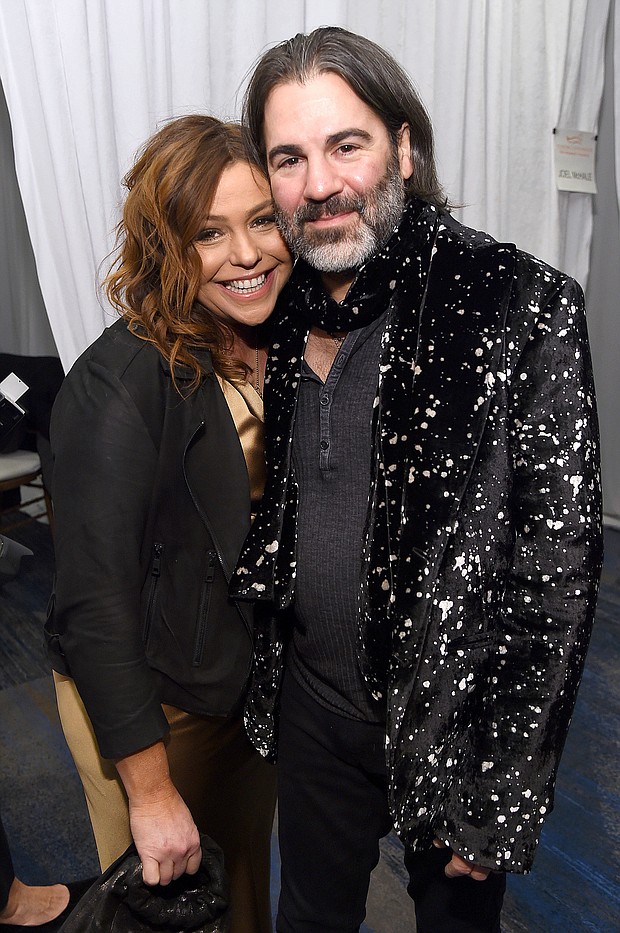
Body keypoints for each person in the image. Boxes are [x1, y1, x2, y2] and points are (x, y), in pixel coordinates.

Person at [230, 26, 604, 933]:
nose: (319, 185)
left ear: (402, 145)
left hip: (455, 724)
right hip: (314, 713)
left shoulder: (519, 304)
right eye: (289, 158)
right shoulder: (282, 312)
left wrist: (502, 789)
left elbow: (553, 577)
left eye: (345, 144)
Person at [46, 114, 292, 933]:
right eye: (208, 233)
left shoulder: (284, 342)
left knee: (244, 891)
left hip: (240, 686)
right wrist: (149, 791)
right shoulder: (117, 385)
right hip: (155, 706)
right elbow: (94, 607)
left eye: (262, 219)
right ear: (164, 247)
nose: (247, 253)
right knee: (165, 911)